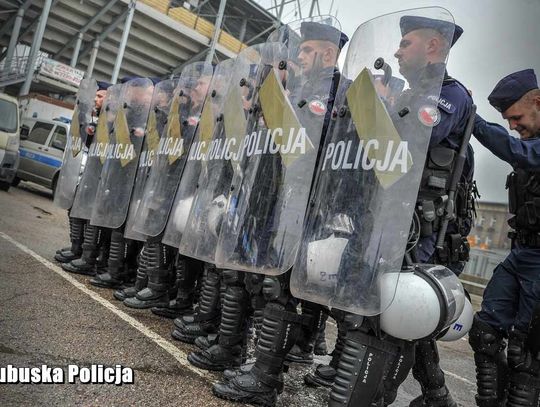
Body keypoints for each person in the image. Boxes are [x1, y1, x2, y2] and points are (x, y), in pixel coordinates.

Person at [211, 20, 348, 407]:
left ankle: (266, 377)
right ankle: (258, 364)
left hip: (303, 210)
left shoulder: (339, 94)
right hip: (271, 202)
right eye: (301, 50)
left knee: (279, 289)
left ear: (328, 53)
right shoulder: (294, 90)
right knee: (262, 284)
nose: (300, 57)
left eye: (307, 51)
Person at [469, 69, 540, 407]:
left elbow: (520, 153)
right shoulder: (529, 143)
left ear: (538, 102)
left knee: (526, 353)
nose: (513, 125)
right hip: (520, 254)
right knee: (484, 332)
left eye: (517, 117)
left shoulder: (530, 150)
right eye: (507, 120)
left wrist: (475, 121)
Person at [55, 81, 111, 264]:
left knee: (90, 216)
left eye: (100, 96)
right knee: (75, 207)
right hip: (90, 174)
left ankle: (88, 256)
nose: (96, 99)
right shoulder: (99, 118)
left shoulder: (112, 120)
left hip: (104, 179)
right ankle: (76, 247)